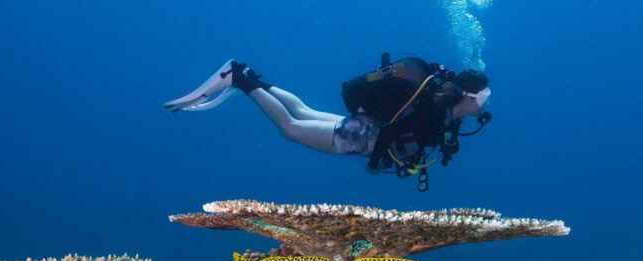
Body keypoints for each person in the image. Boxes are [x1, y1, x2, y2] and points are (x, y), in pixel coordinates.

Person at [164, 54, 491, 190]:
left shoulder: (446, 112)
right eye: (485, 96)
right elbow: (394, 131)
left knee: (303, 111)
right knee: (289, 128)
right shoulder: (437, 110)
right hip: (361, 137)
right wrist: (376, 163)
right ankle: (239, 78)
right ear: (471, 96)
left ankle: (254, 84)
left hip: (364, 126)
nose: (486, 103)